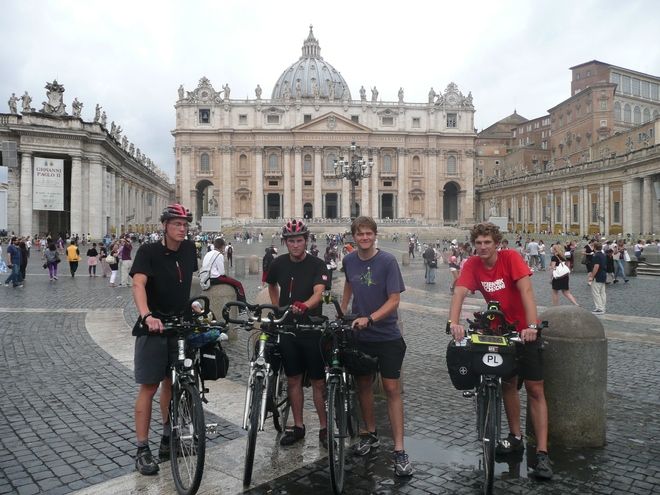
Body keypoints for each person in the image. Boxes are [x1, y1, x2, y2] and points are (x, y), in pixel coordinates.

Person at [448, 222, 553, 480]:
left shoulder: (511, 258)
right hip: (498, 330)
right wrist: (453, 322)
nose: (483, 247)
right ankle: (515, 436)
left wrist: (531, 326)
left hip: (523, 330)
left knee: (535, 389)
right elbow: (459, 292)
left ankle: (541, 452)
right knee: (507, 384)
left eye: (488, 243)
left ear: (497, 243)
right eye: (479, 243)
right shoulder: (472, 264)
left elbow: (526, 290)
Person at [340, 216, 413, 477]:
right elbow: (348, 283)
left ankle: (399, 449)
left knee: (392, 389)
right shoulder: (348, 260)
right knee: (363, 386)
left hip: (387, 335)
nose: (365, 238)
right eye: (360, 234)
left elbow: (394, 300)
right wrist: (343, 310)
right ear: (354, 236)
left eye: (369, 234)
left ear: (375, 235)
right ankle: (369, 433)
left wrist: (370, 318)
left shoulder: (388, 261)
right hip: (361, 335)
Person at [129, 203, 198, 475]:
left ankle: (169, 436)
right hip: (154, 327)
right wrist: (147, 316)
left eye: (185, 225)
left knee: (174, 381)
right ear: (165, 225)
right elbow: (138, 284)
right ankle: (142, 448)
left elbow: (182, 282)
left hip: (180, 325)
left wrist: (190, 305)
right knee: (149, 387)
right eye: (177, 224)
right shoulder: (148, 252)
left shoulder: (191, 249)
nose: (182, 229)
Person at [266, 219, 329, 448]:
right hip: (288, 328)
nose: (295, 244)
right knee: (293, 379)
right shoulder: (278, 264)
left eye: (299, 240)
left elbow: (319, 293)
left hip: (311, 328)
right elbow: (271, 285)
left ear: (306, 240)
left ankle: (324, 428)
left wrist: (305, 305)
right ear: (285, 242)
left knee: (318, 382)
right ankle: (299, 426)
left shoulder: (318, 265)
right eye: (291, 241)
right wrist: (276, 307)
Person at [200, 237, 246, 302]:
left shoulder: (208, 253)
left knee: (233, 282)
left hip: (206, 278)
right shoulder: (219, 255)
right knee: (238, 284)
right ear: (222, 246)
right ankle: (243, 306)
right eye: (224, 247)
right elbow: (222, 273)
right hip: (215, 278)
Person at [588, 241, 607, 315]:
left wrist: (591, 276)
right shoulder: (603, 255)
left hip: (598, 275)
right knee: (602, 292)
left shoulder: (596, 256)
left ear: (594, 248)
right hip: (603, 274)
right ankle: (603, 307)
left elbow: (596, 266)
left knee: (596, 292)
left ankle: (599, 308)